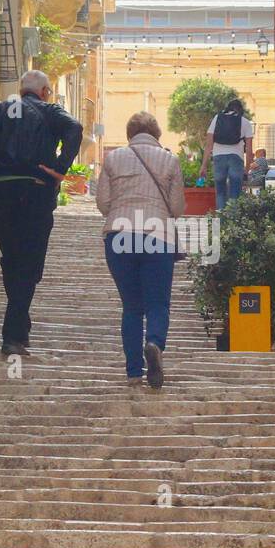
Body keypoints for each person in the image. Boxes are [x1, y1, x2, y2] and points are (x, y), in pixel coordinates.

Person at [0, 70, 83, 357]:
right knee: (29, 264)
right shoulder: (50, 111)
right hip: (35, 192)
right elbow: (75, 128)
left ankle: (19, 328)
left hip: (2, 192)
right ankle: (12, 335)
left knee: (13, 261)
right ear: (45, 92)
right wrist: (60, 169)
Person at [97, 111, 185, 388]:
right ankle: (155, 343)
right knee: (158, 303)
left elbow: (102, 203)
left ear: (129, 134)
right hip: (157, 236)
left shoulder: (113, 158)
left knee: (132, 307)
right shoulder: (170, 160)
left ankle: (134, 372)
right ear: (157, 133)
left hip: (120, 237)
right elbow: (177, 207)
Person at [199, 99, 253, 211]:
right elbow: (249, 150)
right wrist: (247, 169)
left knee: (220, 192)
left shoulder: (217, 118)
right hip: (236, 158)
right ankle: (231, 224)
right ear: (241, 110)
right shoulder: (245, 122)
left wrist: (203, 165)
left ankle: (221, 222)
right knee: (235, 194)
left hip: (218, 158)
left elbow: (209, 145)